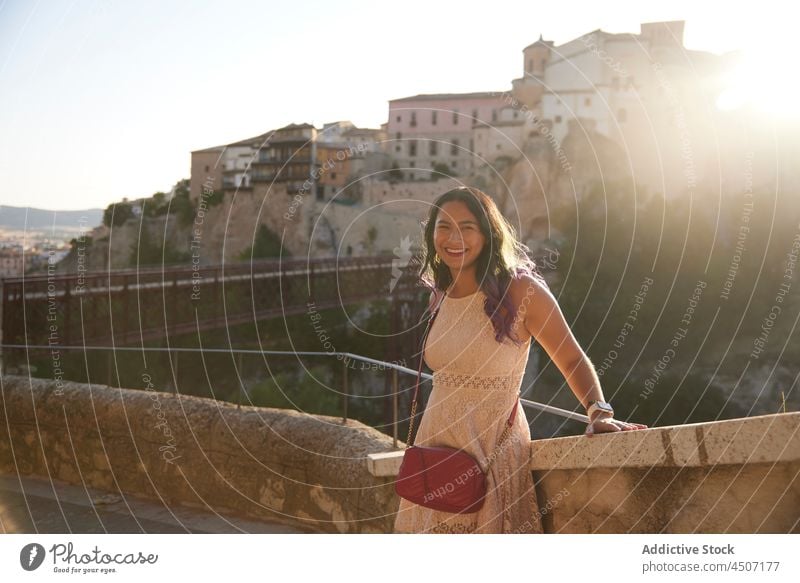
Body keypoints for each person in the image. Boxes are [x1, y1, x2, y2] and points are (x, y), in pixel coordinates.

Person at [393, 186, 647, 534]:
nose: (454, 238)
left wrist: (598, 412)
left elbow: (572, 357)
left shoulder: (522, 291)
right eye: (444, 227)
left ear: (488, 233)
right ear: (431, 232)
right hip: (434, 446)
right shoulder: (439, 294)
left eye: (467, 227)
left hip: (491, 449)